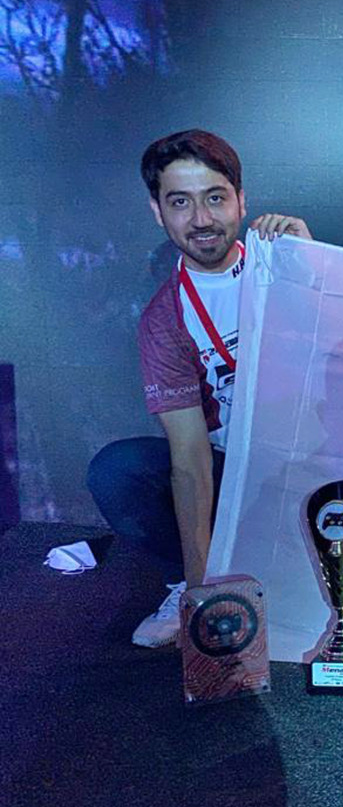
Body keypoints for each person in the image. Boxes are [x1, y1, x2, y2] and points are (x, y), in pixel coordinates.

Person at [87, 129, 312, 647]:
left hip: (312, 459)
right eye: (180, 203)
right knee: (118, 471)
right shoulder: (165, 320)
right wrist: (199, 590)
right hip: (233, 471)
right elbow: (189, 457)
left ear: (241, 199)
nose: (202, 220)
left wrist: (315, 267)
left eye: (215, 198)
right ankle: (186, 584)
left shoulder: (286, 260)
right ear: (157, 212)